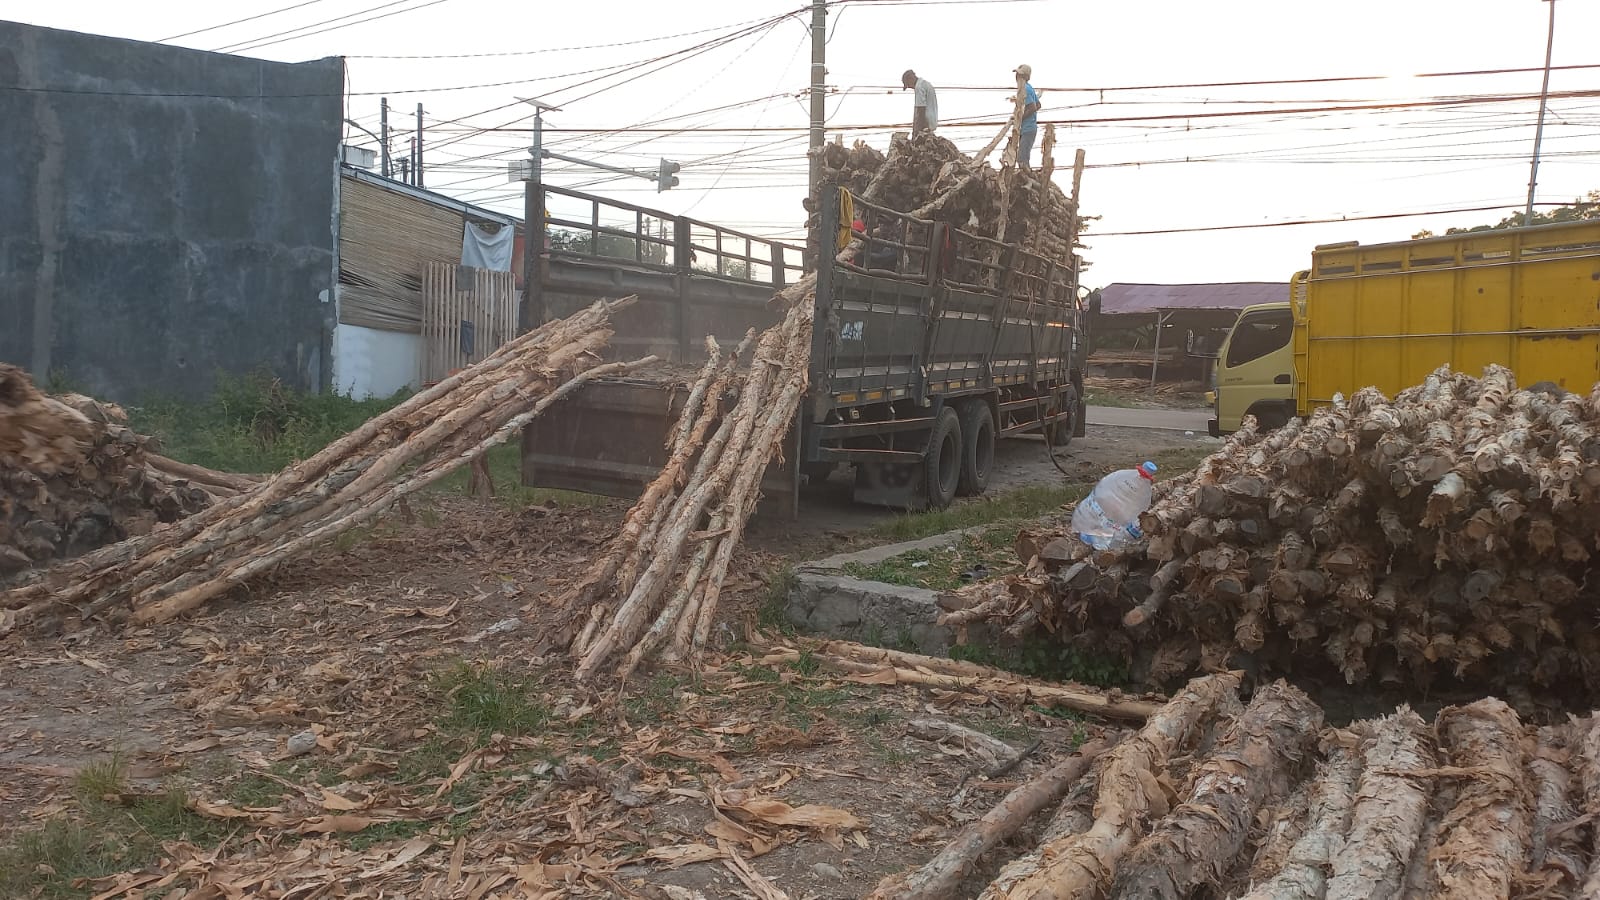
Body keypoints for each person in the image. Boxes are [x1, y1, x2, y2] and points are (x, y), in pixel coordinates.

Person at [1014, 63, 1041, 168]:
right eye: (1017, 74)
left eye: (1020, 75)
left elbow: (1033, 107)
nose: (1017, 77)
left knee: (1022, 158)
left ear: (1025, 77)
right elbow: (1038, 104)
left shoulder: (1025, 89)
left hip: (1027, 129)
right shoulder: (1028, 88)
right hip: (1027, 128)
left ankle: (1025, 176)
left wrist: (1019, 118)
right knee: (1022, 156)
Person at [902, 69, 938, 136]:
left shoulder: (919, 87)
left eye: (908, 85)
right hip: (931, 123)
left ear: (911, 79)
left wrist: (916, 132)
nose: (910, 87)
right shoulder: (926, 84)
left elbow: (920, 110)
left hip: (925, 124)